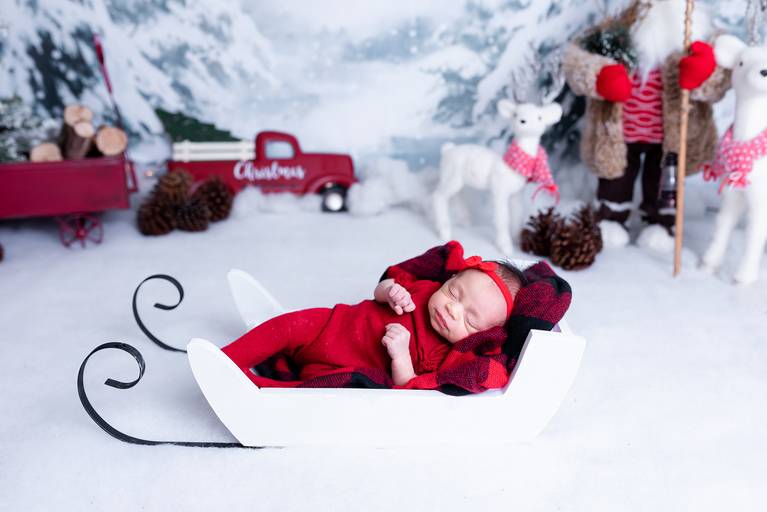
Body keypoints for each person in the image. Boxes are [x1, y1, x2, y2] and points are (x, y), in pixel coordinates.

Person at [221, 241, 526, 389]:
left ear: (481, 335)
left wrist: (401, 356)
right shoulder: (425, 288)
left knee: (317, 391)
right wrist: (390, 291)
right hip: (331, 325)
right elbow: (380, 289)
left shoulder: (443, 354)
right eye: (454, 293)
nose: (452, 310)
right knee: (289, 325)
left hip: (344, 367)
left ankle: (255, 388)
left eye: (469, 320)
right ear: (450, 279)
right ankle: (227, 359)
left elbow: (408, 386)